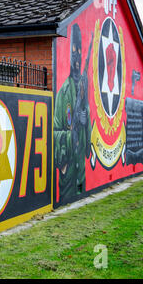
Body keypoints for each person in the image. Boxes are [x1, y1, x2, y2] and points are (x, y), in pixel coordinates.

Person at [54, 24, 92, 202]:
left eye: (80, 51)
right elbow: (54, 132)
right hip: (68, 171)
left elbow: (87, 111)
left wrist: (85, 118)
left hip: (81, 168)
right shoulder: (63, 92)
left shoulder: (84, 85)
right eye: (74, 52)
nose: (77, 58)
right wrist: (70, 137)